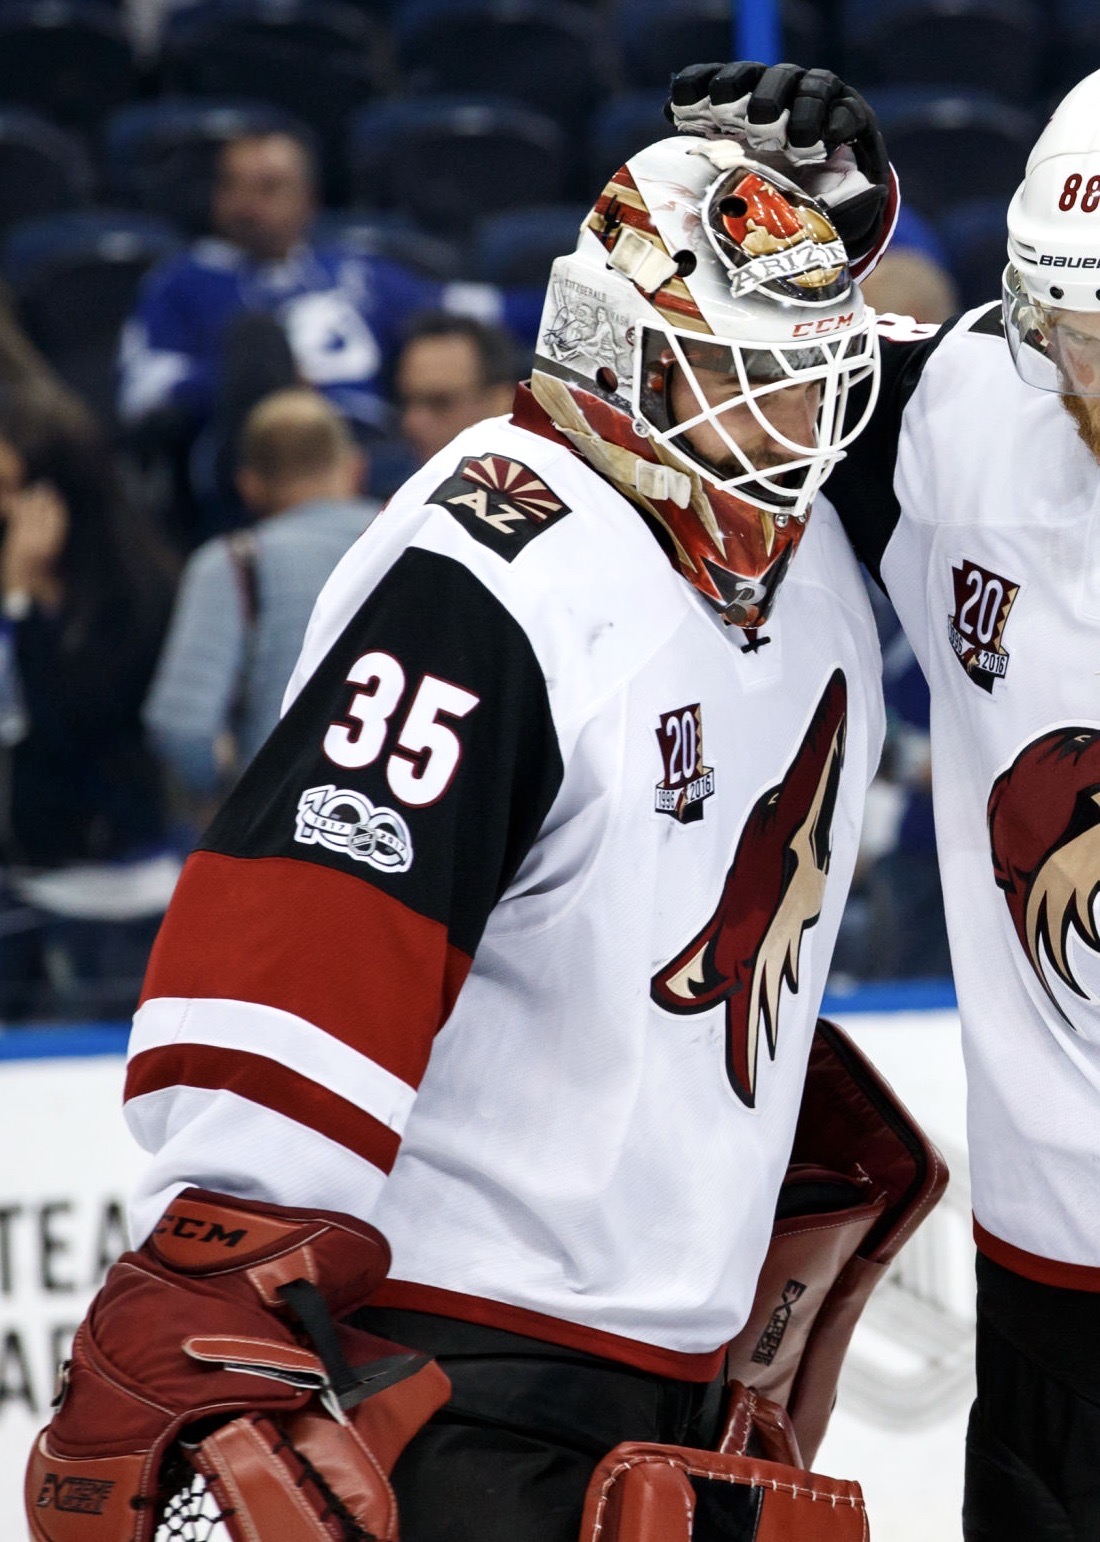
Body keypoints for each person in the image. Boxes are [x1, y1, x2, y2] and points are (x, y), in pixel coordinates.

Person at [26, 131, 889, 1539]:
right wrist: (225, 1243)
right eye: (743, 378)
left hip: (682, 1375)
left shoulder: (818, 569)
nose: (789, 424)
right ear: (617, 359)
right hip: (458, 1368)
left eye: (808, 379)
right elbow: (333, 892)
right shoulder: (499, 557)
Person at [665, 58, 1100, 1541]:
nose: (1093, 390)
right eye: (1075, 339)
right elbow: (737, 391)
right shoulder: (979, 423)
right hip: (1052, 1296)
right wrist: (797, 232)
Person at [116, 130, 541, 522]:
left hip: (370, 449)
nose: (246, 204)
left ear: (308, 199)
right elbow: (142, 391)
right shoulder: (184, 281)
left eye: (268, 188)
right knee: (256, 339)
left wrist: (572, 307)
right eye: (232, 186)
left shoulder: (355, 271)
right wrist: (248, 378)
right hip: (261, 450)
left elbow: (472, 308)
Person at [0, 383, 178, 1021]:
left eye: (9, 489)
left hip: (116, 892)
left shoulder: (136, 595)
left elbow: (60, 724)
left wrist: (23, 606)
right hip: (23, 888)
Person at [143, 388, 378, 821]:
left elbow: (182, 727)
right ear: (355, 468)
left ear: (248, 486)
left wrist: (226, 801)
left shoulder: (232, 564)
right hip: (402, 826)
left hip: (280, 826)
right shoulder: (421, 544)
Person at [394, 311, 526, 465]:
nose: (413, 423)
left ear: (504, 403)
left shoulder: (546, 476)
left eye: (440, 402)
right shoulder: (387, 474)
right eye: (406, 401)